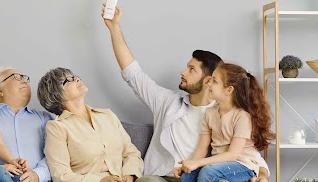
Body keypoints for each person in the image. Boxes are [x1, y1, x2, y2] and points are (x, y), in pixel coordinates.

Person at [100, 5, 270, 182]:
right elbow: (133, 74)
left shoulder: (224, 112)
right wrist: (114, 28)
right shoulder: (167, 102)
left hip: (202, 176)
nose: (183, 72)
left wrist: (263, 174)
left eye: (191, 69)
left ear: (208, 81)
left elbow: (245, 152)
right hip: (165, 176)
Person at [38, 67, 144, 182]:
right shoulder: (57, 127)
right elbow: (61, 176)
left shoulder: (107, 115)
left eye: (75, 76)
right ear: (56, 94)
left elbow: (131, 153)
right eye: (68, 80)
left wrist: (130, 175)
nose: (77, 79)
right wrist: (100, 181)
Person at [179, 63, 275, 182]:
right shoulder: (209, 113)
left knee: (208, 172)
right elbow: (202, 148)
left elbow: (232, 155)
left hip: (243, 166)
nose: (208, 83)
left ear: (229, 90)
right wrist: (190, 164)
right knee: (187, 176)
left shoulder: (242, 116)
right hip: (218, 164)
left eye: (214, 81)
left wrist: (199, 163)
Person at [0, 67, 55, 182]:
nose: (25, 81)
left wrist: (38, 175)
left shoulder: (45, 118)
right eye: (16, 77)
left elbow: (56, 156)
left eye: (25, 78)